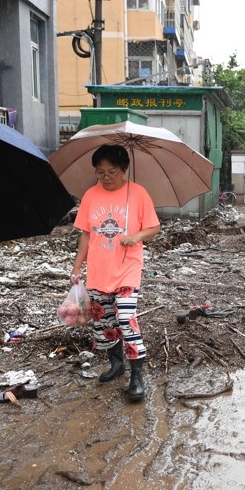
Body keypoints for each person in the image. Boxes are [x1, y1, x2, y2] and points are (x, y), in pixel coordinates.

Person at [71, 145, 161, 402]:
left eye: (112, 172)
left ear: (123, 169)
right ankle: (116, 364)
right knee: (104, 322)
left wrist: (136, 237)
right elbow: (86, 234)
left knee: (126, 318)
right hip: (99, 269)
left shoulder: (138, 193)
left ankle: (136, 376)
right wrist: (77, 267)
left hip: (127, 268)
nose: (106, 177)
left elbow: (154, 227)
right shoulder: (90, 195)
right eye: (100, 173)